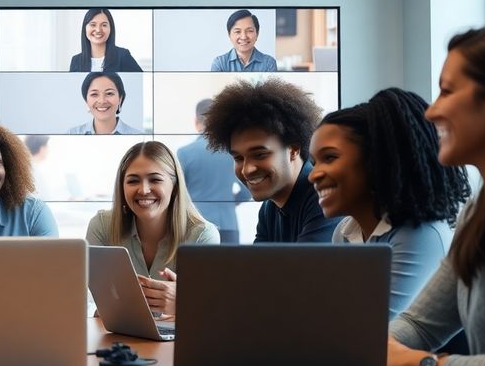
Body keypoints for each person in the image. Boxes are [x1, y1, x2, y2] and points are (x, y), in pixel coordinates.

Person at [386, 24, 485, 366]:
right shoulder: (478, 209)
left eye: (447, 91)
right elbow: (420, 326)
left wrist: (418, 364)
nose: (431, 111)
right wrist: (355, 348)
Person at [308, 88, 470, 320]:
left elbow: (374, 330)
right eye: (314, 162)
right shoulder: (343, 233)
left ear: (376, 161)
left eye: (330, 158)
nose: (313, 175)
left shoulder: (421, 234)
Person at [86, 141, 219, 315]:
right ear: (122, 187)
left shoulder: (202, 235)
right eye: (133, 181)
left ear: (175, 186)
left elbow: (210, 310)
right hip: (119, 336)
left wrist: (184, 302)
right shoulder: (102, 226)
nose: (144, 190)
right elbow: (90, 299)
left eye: (155, 179)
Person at [201, 78, 340, 242]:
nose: (247, 169)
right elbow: (257, 266)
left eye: (260, 154)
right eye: (238, 158)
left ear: (293, 149)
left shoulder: (322, 196)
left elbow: (304, 267)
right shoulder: (270, 208)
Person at [177, 99, 252, 243]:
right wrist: (230, 202)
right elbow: (247, 190)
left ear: (197, 121)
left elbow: (178, 193)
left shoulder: (184, 153)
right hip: (228, 224)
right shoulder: (232, 153)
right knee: (229, 266)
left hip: (196, 225)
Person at [68, 9, 142, 72]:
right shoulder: (76, 61)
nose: (98, 30)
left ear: (110, 29)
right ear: (85, 28)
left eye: (104, 25)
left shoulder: (122, 56)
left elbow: (140, 81)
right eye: (93, 25)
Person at [68, 72, 142, 135]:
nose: (102, 101)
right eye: (94, 94)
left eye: (109, 93)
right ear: (86, 100)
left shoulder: (137, 134)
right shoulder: (71, 133)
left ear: (120, 99)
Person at [209, 9, 278, 72]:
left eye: (249, 31)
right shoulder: (220, 63)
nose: (244, 37)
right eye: (238, 32)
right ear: (229, 35)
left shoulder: (269, 63)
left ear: (257, 33)